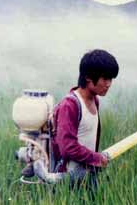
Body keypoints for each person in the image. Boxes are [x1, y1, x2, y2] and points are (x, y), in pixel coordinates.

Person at [51, 49, 119, 187]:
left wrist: (94, 162)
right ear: (88, 77)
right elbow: (68, 148)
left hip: (87, 174)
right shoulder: (70, 105)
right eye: (105, 79)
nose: (109, 84)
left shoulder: (95, 100)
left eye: (111, 79)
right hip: (68, 180)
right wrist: (97, 158)